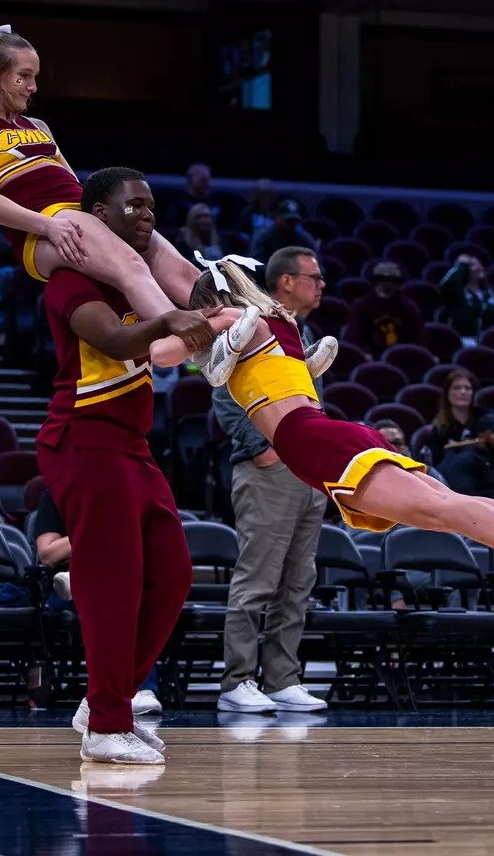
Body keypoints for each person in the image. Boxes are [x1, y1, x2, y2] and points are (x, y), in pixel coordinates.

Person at [168, 259, 494, 602]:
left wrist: (148, 333)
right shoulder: (280, 324)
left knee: (448, 512)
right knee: (446, 508)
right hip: (329, 433)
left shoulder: (229, 319)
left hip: (311, 442)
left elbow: (164, 352)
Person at [0, 26, 233, 380]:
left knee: (179, 267)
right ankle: (201, 350)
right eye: (24, 77)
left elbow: (76, 183)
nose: (33, 87)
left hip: (81, 213)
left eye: (34, 76)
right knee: (131, 264)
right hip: (43, 228)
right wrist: (49, 225)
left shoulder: (38, 125)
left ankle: (254, 344)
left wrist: (114, 213)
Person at [36, 167, 200, 766]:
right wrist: (171, 323)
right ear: (97, 217)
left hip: (132, 446)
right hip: (83, 438)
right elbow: (114, 340)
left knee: (175, 574)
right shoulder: (69, 280)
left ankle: (107, 700)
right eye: (132, 208)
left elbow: (170, 333)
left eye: (152, 206)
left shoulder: (142, 282)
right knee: (115, 589)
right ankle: (108, 726)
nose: (147, 215)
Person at [211, 246, 328, 715]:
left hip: (306, 469)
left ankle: (282, 679)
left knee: (299, 579)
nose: (320, 285)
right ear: (286, 281)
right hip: (270, 469)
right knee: (257, 577)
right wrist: (262, 448)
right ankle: (236, 680)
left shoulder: (300, 332)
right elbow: (222, 391)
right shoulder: (251, 322)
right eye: (314, 277)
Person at [32, 486, 162, 717]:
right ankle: (133, 690)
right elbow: (48, 553)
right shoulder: (56, 493)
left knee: (131, 595)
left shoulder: (125, 494)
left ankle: (136, 689)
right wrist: (98, 532)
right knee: (113, 601)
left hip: (118, 576)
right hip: (66, 586)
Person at [345, 261, 423, 355]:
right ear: (373, 283)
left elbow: (418, 341)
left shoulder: (409, 308)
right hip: (368, 359)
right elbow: (354, 339)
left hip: (402, 359)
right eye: (381, 280)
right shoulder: (361, 306)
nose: (386, 285)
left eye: (392, 281)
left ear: (398, 284)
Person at [424, 368, 483, 468]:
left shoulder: (484, 419)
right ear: (447, 393)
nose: (463, 392)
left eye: (468, 388)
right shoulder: (438, 430)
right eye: (457, 388)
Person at [439, 253, 494, 343]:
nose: (478, 267)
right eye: (472, 265)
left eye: (479, 264)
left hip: (488, 342)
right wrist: (461, 265)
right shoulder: (458, 294)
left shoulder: (489, 294)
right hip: (464, 341)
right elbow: (448, 284)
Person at [251, 199, 317, 265]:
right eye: (288, 221)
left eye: (294, 221)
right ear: (277, 218)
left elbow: (318, 265)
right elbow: (255, 265)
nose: (291, 225)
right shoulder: (264, 237)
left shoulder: (303, 239)